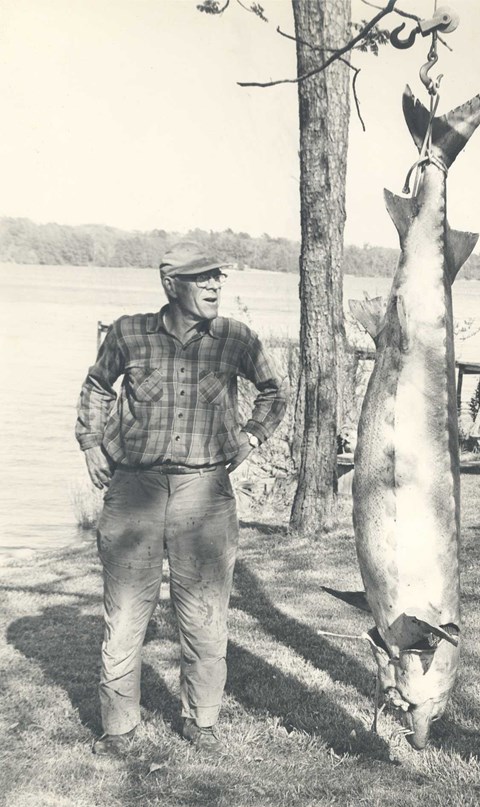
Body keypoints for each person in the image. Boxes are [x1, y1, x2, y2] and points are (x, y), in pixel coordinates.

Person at [76, 241, 287, 754]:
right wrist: (90, 443)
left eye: (219, 277)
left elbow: (274, 392)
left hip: (205, 496)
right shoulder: (129, 332)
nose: (216, 285)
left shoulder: (236, 338)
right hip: (133, 491)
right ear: (171, 285)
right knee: (126, 616)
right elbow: (97, 386)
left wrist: (251, 436)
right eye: (203, 278)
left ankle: (202, 722)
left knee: (204, 615)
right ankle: (119, 727)